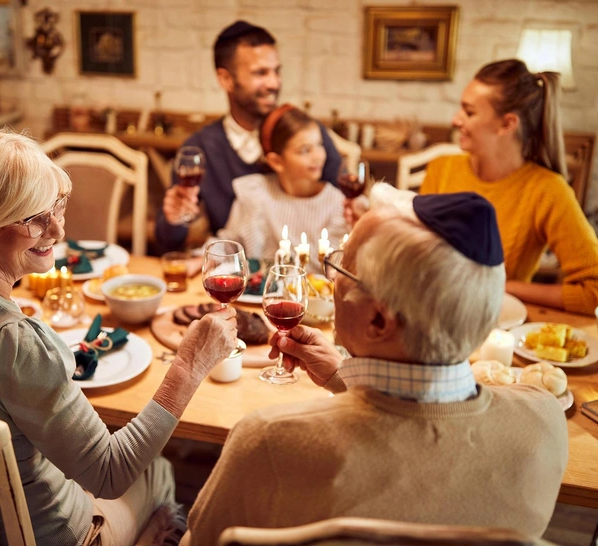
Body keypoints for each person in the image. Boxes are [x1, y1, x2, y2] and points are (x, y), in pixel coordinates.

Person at [0, 127, 239, 546]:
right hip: (48, 535)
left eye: (56, 207)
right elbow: (109, 473)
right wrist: (189, 366)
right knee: (159, 469)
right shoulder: (13, 341)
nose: (57, 231)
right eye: (33, 218)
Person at [182, 184, 568, 546]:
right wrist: (341, 376)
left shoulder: (268, 440)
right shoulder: (544, 422)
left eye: (341, 268)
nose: (331, 279)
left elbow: (198, 541)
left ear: (378, 321)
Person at [419, 59, 598, 315]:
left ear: (507, 124)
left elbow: (593, 291)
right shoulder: (442, 168)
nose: (455, 120)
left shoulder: (548, 190)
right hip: (429, 312)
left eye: (469, 112)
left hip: (493, 325)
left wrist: (502, 286)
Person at [155, 20, 342, 253]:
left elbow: (338, 211)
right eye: (260, 73)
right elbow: (168, 244)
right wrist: (174, 219)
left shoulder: (307, 137)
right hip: (236, 276)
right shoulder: (200, 148)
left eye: (276, 71)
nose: (274, 83)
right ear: (225, 79)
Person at [214, 104, 348, 269]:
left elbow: (337, 267)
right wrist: (204, 259)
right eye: (305, 150)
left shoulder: (337, 204)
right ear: (276, 161)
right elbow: (229, 245)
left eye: (320, 145)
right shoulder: (255, 192)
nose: (318, 156)